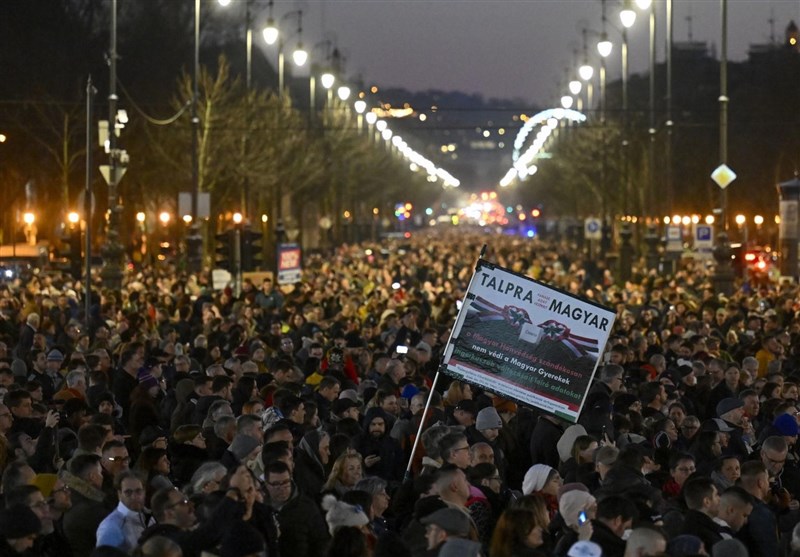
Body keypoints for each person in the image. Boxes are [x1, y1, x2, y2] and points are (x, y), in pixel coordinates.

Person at [95, 470, 155, 553]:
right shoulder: (111, 527)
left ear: (144, 492)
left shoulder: (148, 516)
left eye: (138, 491)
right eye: (128, 492)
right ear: (119, 494)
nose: (134, 497)